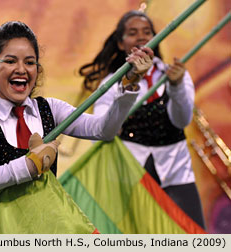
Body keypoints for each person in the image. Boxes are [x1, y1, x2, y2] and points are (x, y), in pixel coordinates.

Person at [0, 21, 153, 199]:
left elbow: (104, 130)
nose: (22, 69)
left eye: (30, 62)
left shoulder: (50, 109)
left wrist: (129, 86)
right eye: (10, 61)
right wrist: (30, 165)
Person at [79, 11, 205, 229]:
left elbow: (182, 120)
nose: (141, 37)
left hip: (176, 173)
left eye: (147, 32)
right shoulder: (111, 83)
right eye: (132, 33)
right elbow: (98, 134)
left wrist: (176, 88)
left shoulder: (174, 73)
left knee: (192, 236)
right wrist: (129, 84)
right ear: (120, 43)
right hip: (129, 177)